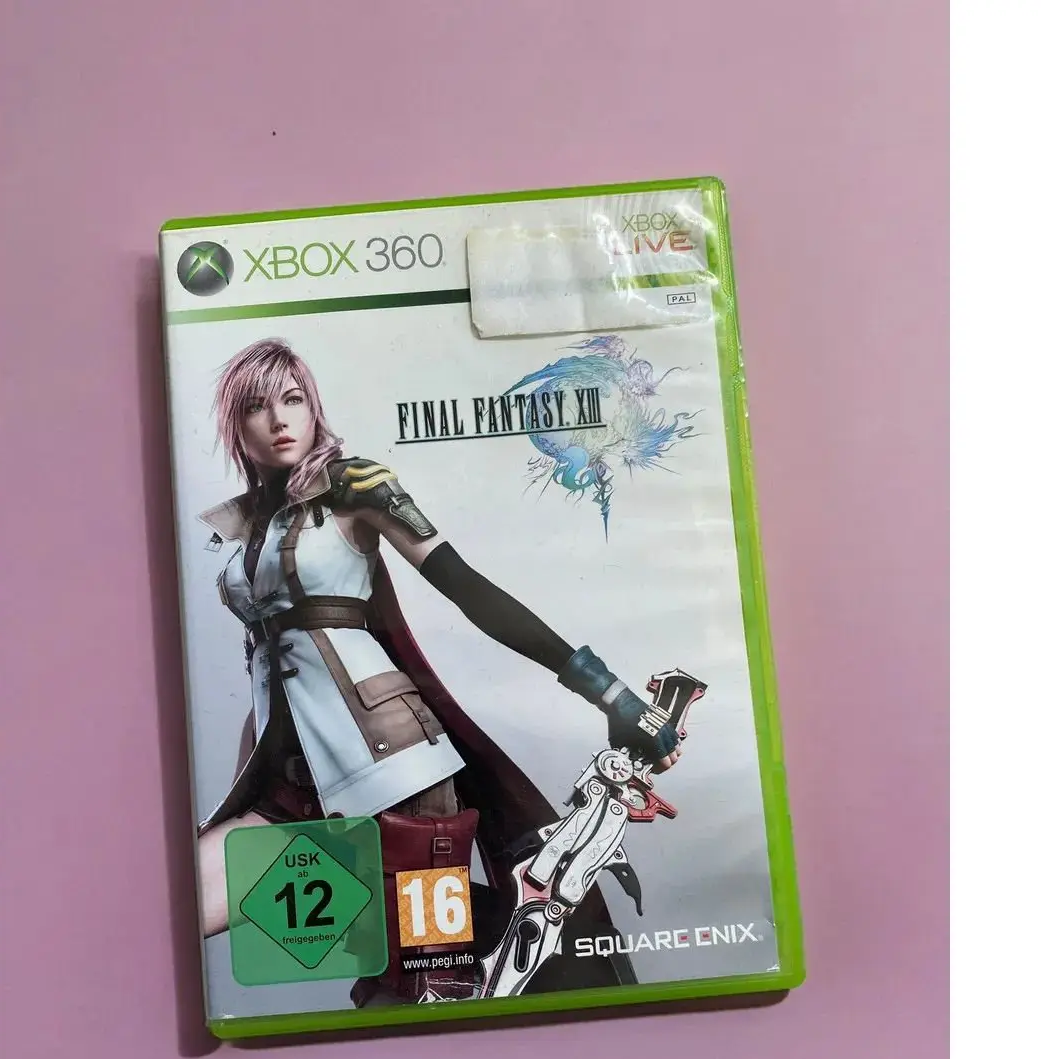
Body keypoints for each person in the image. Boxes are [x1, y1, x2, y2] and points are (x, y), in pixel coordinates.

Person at [193, 338, 681, 1005]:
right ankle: (501, 928)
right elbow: (272, 670)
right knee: (184, 902)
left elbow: (468, 589)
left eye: (293, 399)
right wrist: (246, 778)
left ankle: (518, 955)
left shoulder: (355, 491)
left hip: (400, 774)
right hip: (292, 781)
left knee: (421, 987)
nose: (279, 419)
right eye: (256, 406)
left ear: (313, 408)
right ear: (235, 423)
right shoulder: (243, 531)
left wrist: (609, 692)